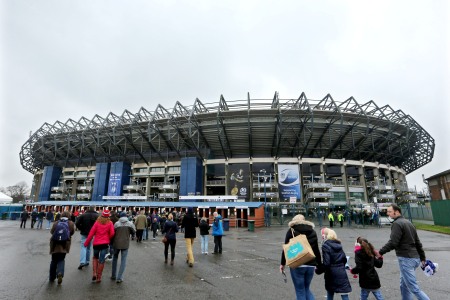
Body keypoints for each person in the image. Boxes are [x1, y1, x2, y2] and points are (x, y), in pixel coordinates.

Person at [378, 204, 430, 300]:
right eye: (387, 212)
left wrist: (380, 252)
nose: (388, 213)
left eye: (389, 211)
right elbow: (417, 242)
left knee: (414, 288)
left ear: (397, 212)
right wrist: (422, 257)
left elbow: (393, 242)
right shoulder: (408, 222)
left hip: (406, 259)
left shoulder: (397, 224)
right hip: (415, 258)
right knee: (404, 285)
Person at [279, 214, 323, 300]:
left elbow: (286, 249)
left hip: (297, 263)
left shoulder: (291, 231)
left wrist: (282, 263)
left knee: (300, 290)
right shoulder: (312, 231)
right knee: (306, 288)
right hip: (310, 264)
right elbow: (316, 250)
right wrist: (319, 264)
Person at [316, 228, 352, 299]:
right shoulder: (338, 244)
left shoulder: (325, 246)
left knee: (330, 292)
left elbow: (326, 263)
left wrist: (318, 270)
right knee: (344, 293)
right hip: (341, 271)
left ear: (324, 236)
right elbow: (344, 259)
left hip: (331, 273)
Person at [84, 209, 115, 283]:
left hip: (96, 244)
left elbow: (91, 233)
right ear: (108, 216)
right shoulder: (110, 223)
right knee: (102, 260)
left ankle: (94, 273)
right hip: (104, 244)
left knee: (95, 258)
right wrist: (108, 238)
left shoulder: (97, 222)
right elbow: (112, 233)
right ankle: (99, 277)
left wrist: (86, 243)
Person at [49, 211, 75, 285]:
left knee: (53, 260)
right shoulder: (71, 223)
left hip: (55, 244)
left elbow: (52, 232)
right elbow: (72, 233)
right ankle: (60, 273)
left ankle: (52, 277)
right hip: (64, 244)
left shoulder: (56, 222)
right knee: (61, 259)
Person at [111, 211, 136, 283]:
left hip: (116, 243)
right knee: (123, 260)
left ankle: (113, 275)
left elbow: (112, 233)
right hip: (125, 244)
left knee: (115, 258)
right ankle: (119, 277)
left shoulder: (116, 224)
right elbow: (134, 232)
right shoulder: (130, 224)